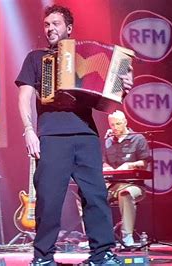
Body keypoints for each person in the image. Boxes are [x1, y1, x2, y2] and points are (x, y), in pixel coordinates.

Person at [15, 5, 133, 266]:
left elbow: (109, 105)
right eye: (46, 24)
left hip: (86, 135)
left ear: (68, 28)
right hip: (52, 137)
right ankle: (43, 258)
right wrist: (29, 130)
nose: (49, 29)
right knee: (49, 198)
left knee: (95, 196)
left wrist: (122, 90)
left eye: (55, 24)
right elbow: (24, 97)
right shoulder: (36, 58)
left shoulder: (85, 55)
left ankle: (102, 254)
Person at [103, 110, 150, 246]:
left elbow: (144, 163)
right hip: (112, 185)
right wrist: (107, 167)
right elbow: (104, 161)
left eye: (118, 124)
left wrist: (129, 165)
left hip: (133, 185)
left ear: (125, 122)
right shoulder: (108, 141)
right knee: (87, 195)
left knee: (126, 194)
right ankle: (95, 236)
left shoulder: (138, 138)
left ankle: (127, 235)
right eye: (112, 125)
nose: (115, 127)